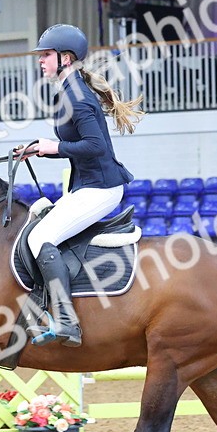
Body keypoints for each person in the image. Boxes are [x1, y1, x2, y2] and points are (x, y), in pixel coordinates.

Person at [21, 23, 144, 347]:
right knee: (38, 220)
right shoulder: (69, 91)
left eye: (45, 55)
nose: (41, 61)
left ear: (66, 57)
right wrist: (40, 150)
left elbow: (96, 146)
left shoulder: (78, 97)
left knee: (41, 237)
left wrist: (53, 147)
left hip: (100, 189)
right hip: (85, 186)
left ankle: (66, 322)